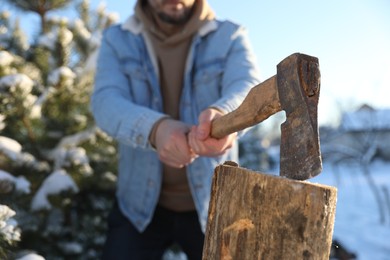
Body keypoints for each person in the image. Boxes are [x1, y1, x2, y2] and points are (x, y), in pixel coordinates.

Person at [91, 0, 260, 259]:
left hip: (216, 206)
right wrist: (154, 129)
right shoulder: (116, 40)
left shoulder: (230, 36)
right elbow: (105, 101)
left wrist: (225, 118)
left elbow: (247, 85)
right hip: (138, 207)